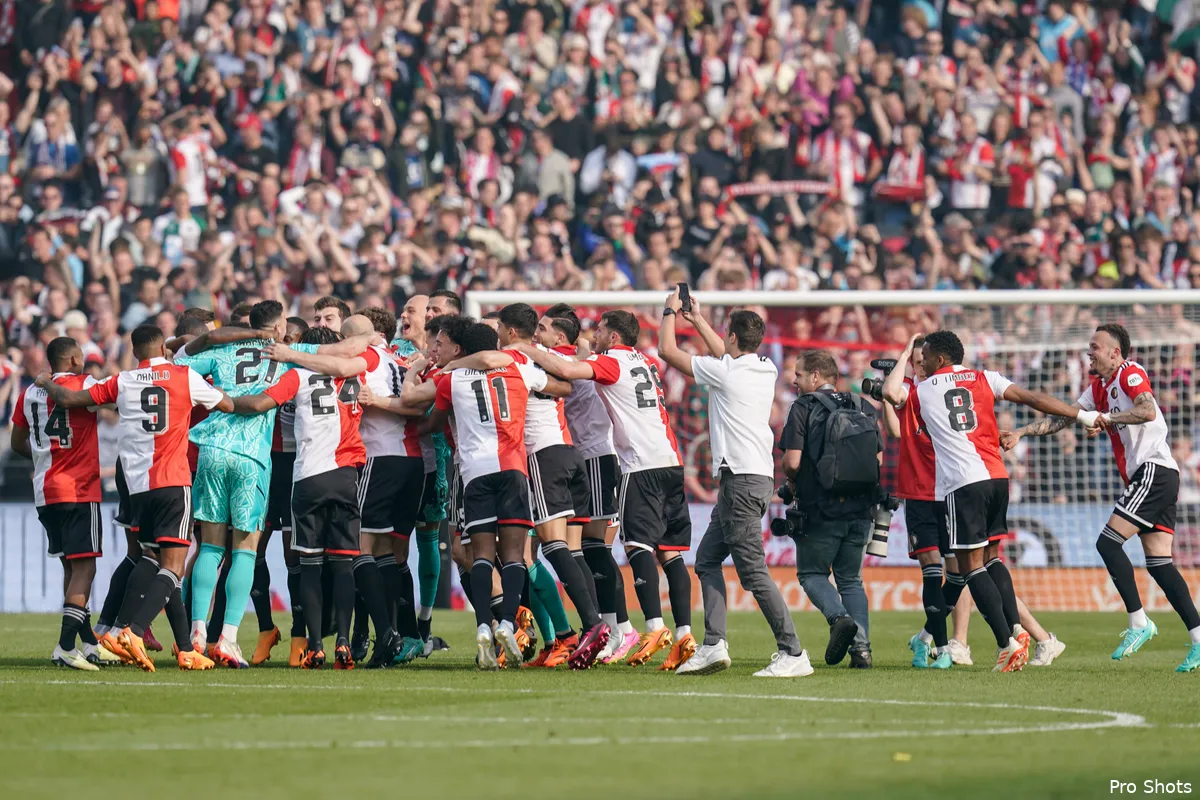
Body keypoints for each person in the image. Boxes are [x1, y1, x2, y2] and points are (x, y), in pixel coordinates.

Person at [1003, 324, 1200, 673]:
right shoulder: (1098, 386)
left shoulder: (1130, 372)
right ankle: (1199, 639)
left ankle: (1139, 622)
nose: (1089, 351)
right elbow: (1064, 418)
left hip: (1154, 470)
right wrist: (1022, 431)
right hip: (1156, 476)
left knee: (1108, 543)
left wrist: (1105, 418)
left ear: (1115, 352)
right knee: (1159, 563)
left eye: (1095, 346)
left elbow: (1147, 409)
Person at [39, 325, 233, 672]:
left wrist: (45, 383)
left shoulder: (123, 380)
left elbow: (69, 399)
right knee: (173, 565)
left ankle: (183, 647)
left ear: (135, 350)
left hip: (137, 486)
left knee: (152, 559)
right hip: (173, 480)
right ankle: (132, 630)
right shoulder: (183, 375)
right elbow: (228, 403)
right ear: (162, 345)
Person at [517, 310, 695, 670]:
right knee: (665, 551)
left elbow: (568, 368)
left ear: (613, 337)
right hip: (667, 456)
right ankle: (679, 633)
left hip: (607, 458)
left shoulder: (600, 361)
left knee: (610, 547)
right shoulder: (642, 360)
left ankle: (628, 628)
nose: (593, 334)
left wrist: (523, 348)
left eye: (600, 329)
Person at [914, 330, 1096, 672]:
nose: (920, 362)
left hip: (963, 482)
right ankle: (1018, 631)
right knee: (991, 558)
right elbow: (1032, 398)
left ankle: (1007, 643)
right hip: (998, 477)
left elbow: (898, 399)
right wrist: (1081, 416)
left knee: (969, 567)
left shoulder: (922, 389)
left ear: (939, 359)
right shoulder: (986, 377)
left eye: (924, 356)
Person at [228, 325, 403, 670]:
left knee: (309, 565)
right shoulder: (354, 375)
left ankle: (315, 645)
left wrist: (226, 403)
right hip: (346, 477)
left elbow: (263, 403)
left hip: (308, 477)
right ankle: (342, 642)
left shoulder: (297, 376)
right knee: (342, 565)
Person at [446, 303, 611, 666]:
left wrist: (453, 364)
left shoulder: (507, 360)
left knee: (543, 549)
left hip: (536, 457)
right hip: (567, 453)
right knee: (562, 550)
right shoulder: (539, 358)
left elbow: (486, 363)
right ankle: (570, 635)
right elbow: (568, 377)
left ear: (509, 333)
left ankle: (587, 627)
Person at [658, 292, 811, 678]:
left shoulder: (725, 371)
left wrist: (668, 312)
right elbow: (726, 354)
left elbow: (666, 351)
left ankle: (793, 651)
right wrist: (696, 320)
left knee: (753, 572)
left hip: (740, 480)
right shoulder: (765, 367)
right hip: (751, 477)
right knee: (707, 560)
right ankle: (713, 645)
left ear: (732, 339)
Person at [267, 310, 427, 665]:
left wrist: (291, 354)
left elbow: (339, 367)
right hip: (412, 459)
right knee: (389, 554)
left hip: (376, 458)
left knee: (358, 552)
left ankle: (386, 633)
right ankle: (399, 633)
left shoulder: (366, 357)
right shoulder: (398, 360)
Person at [170, 300, 294, 668]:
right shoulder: (286, 356)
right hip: (252, 456)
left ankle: (196, 631)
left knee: (209, 547)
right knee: (245, 550)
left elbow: (179, 363)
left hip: (210, 450)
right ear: (278, 325)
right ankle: (226, 638)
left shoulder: (222, 349)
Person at [11, 337, 121, 670]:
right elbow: (115, 403)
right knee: (85, 568)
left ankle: (88, 644)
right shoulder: (86, 384)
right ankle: (64, 646)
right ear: (73, 360)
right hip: (78, 488)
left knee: (72, 568)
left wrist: (47, 457)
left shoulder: (29, 392)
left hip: (46, 491)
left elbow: (18, 442)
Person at [540, 303, 639, 664]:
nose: (537, 335)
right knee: (584, 549)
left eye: (543, 328)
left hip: (598, 455)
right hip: (583, 458)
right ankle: (606, 628)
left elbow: (568, 360)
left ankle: (621, 629)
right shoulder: (581, 355)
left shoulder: (576, 359)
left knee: (596, 549)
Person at [779, 350, 880, 669]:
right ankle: (862, 650)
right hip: (862, 510)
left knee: (811, 574)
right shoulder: (863, 405)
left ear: (815, 377)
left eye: (798, 374)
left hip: (820, 509)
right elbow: (876, 462)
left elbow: (792, 461)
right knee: (851, 580)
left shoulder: (803, 407)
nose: (794, 380)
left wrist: (791, 481)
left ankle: (838, 620)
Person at [263, 315, 312, 666]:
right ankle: (266, 628)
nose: (288, 346)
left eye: (295, 340)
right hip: (266, 466)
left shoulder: (305, 374)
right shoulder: (267, 371)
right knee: (250, 550)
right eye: (286, 339)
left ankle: (299, 634)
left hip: (297, 467)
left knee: (293, 555)